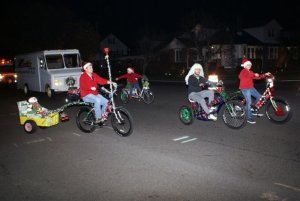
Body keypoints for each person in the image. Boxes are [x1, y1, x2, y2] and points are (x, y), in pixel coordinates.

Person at [239, 58, 268, 124]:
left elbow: (257, 77)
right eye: (248, 65)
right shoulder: (243, 71)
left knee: (260, 97)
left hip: (251, 87)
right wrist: (254, 74)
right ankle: (249, 117)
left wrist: (265, 75)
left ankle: (253, 109)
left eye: (250, 65)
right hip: (245, 88)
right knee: (249, 102)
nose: (249, 66)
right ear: (245, 65)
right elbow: (241, 76)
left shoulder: (250, 72)